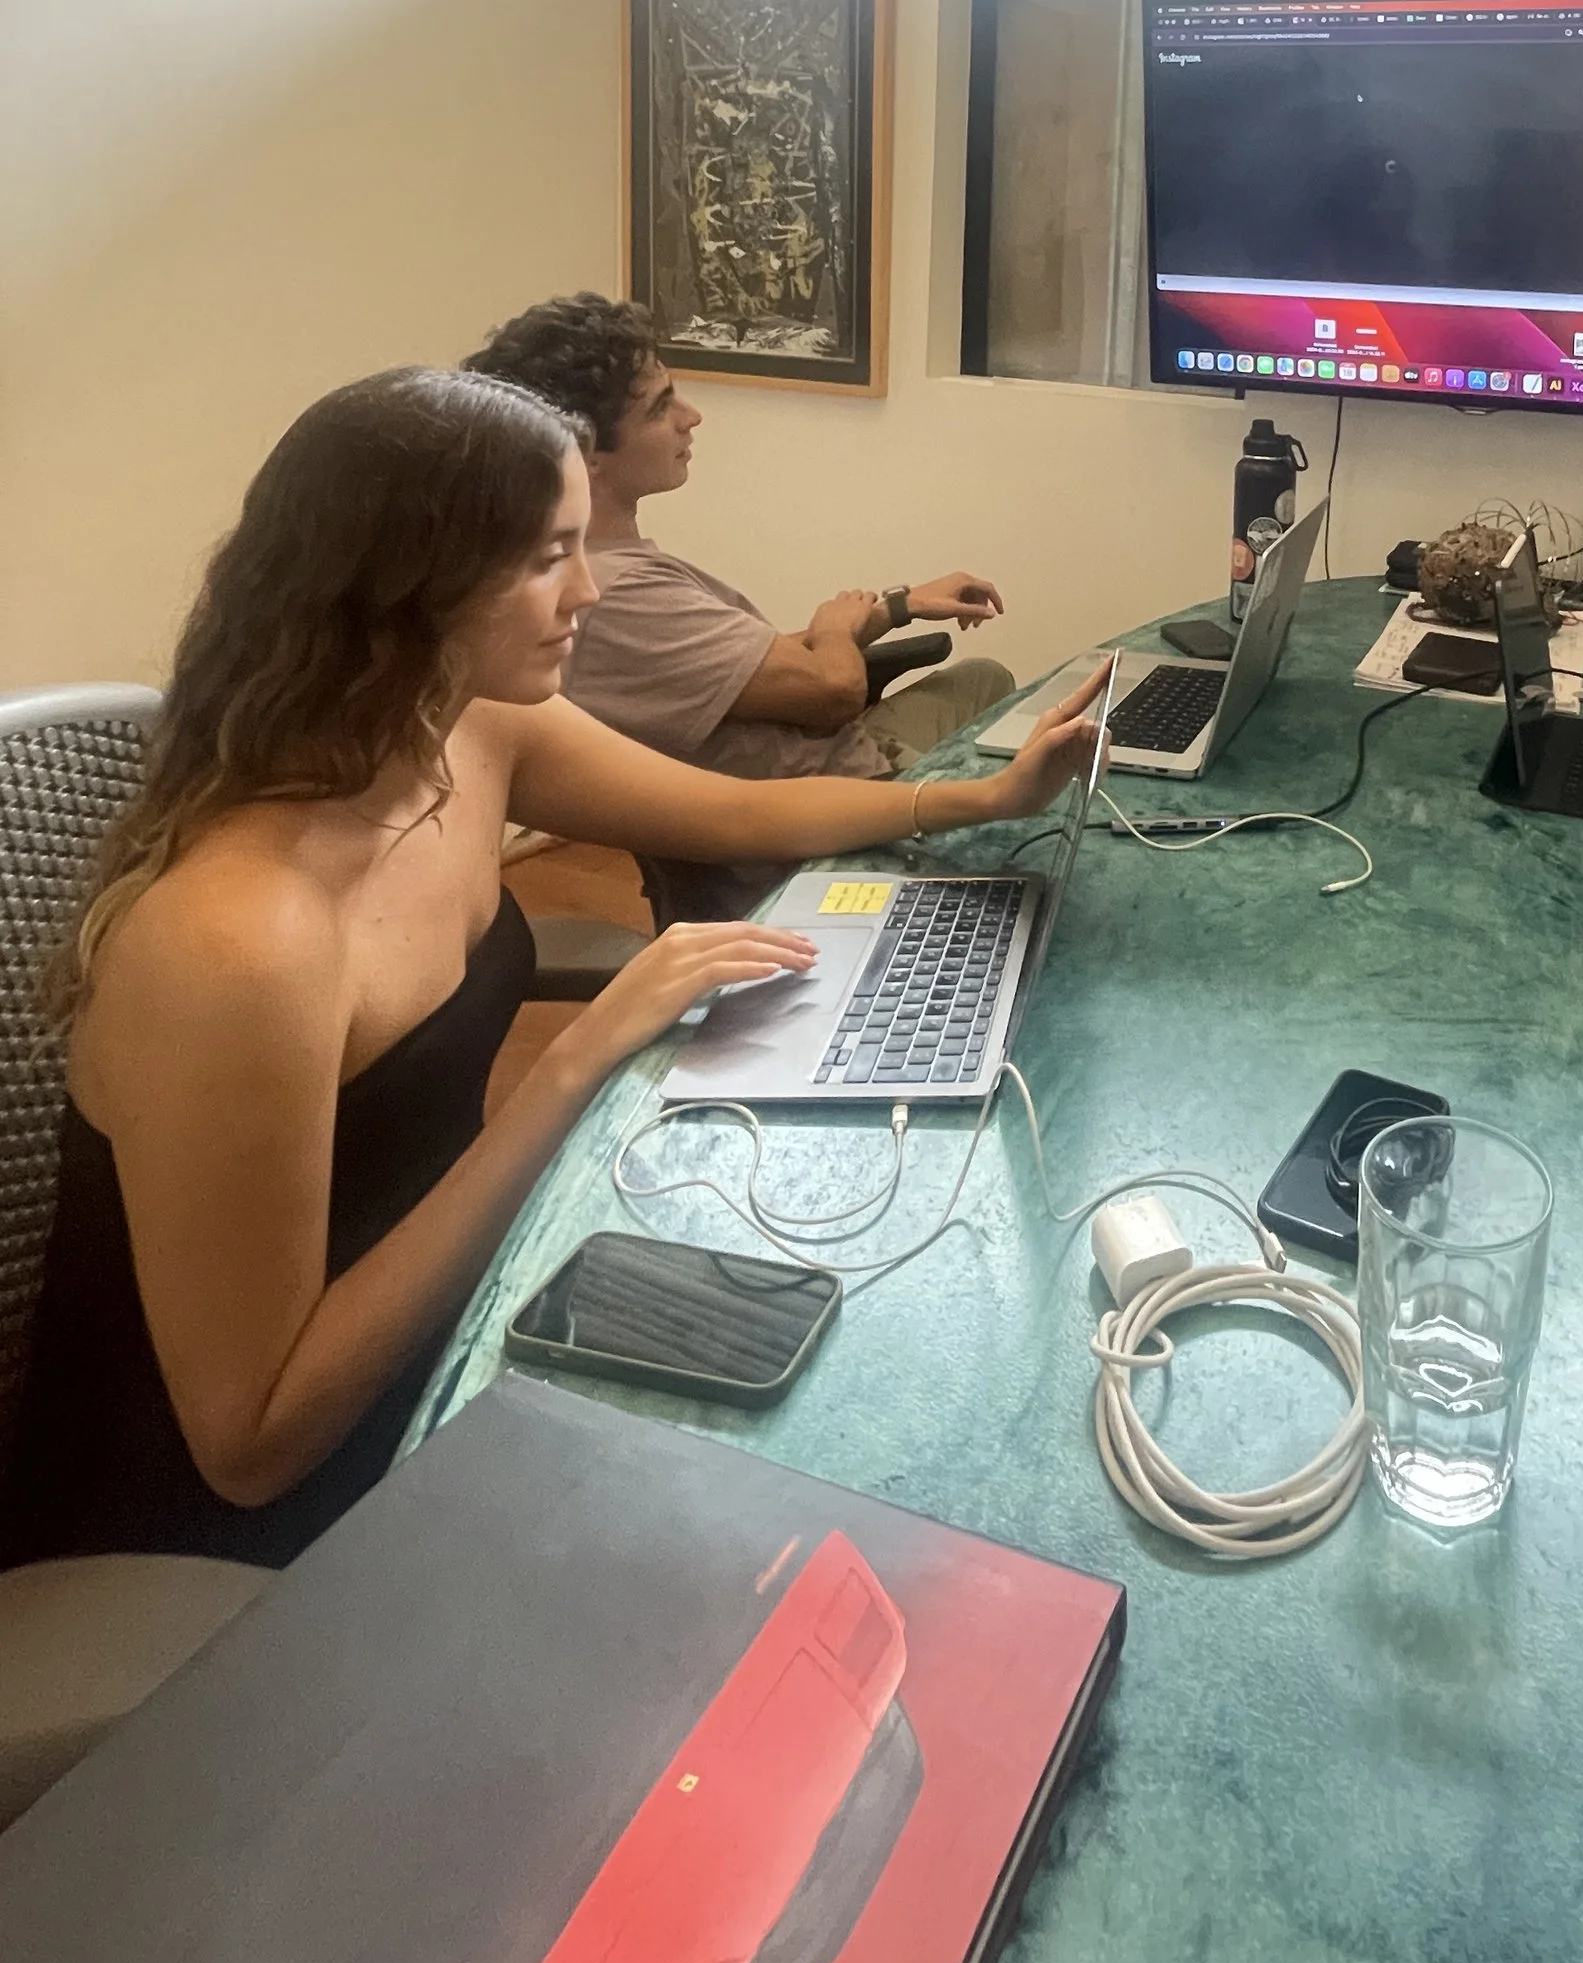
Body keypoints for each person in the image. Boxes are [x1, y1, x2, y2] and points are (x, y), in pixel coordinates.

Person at [3, 368, 1103, 1570]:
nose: (585, 592)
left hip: (449, 1332)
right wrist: (573, 1064)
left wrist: (976, 797)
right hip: (221, 1537)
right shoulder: (240, 944)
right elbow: (251, 1444)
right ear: (397, 591)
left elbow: (735, 814)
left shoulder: (466, 726)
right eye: (544, 558)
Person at [462, 298, 1015, 826]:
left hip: (835, 765)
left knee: (985, 679)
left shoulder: (605, 569)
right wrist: (832, 625)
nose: (691, 416)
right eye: (661, 408)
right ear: (588, 455)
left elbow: (749, 669)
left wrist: (899, 607)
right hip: (841, 804)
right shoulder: (617, 591)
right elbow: (832, 691)